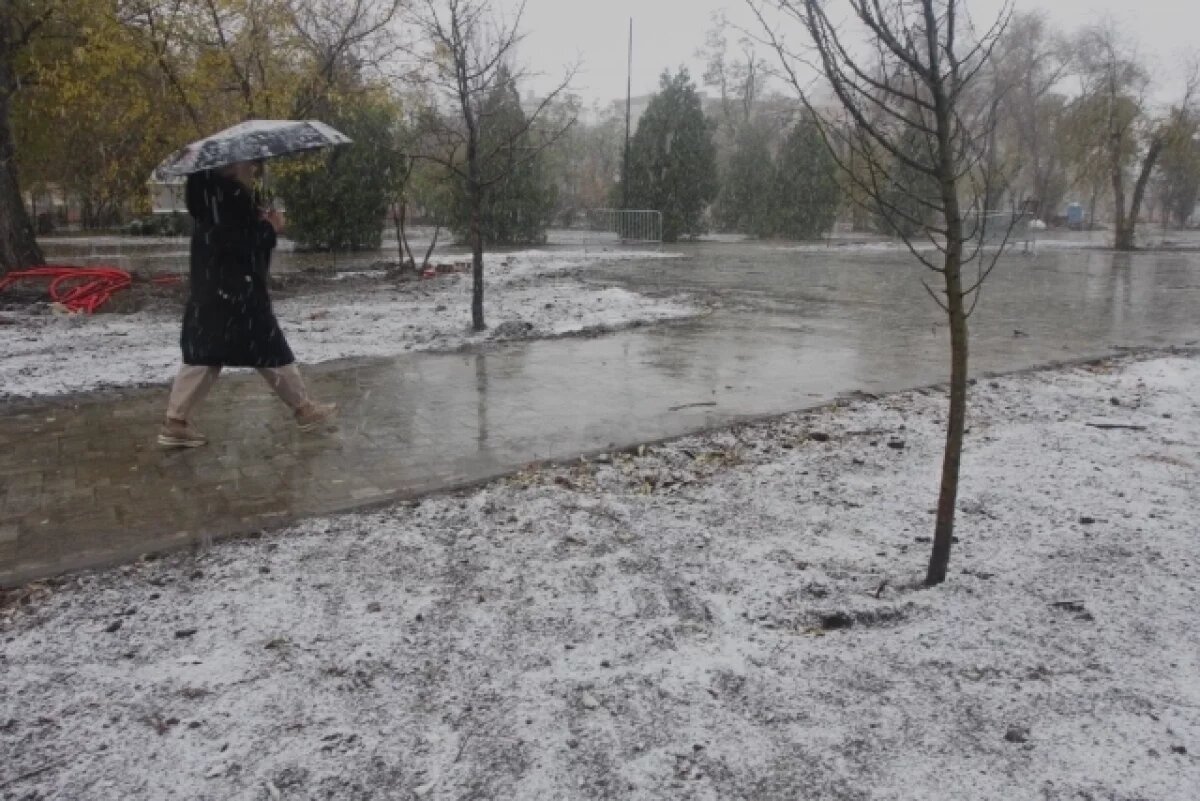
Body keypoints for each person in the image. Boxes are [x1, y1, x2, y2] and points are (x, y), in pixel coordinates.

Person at [158, 159, 336, 448]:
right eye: (248, 165)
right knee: (269, 351)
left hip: (217, 295)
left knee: (206, 356)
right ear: (230, 168)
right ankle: (304, 410)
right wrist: (269, 228)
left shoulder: (210, 198)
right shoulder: (228, 199)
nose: (253, 168)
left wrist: (258, 220)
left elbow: (230, 241)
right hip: (236, 296)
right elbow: (239, 246)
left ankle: (175, 422)